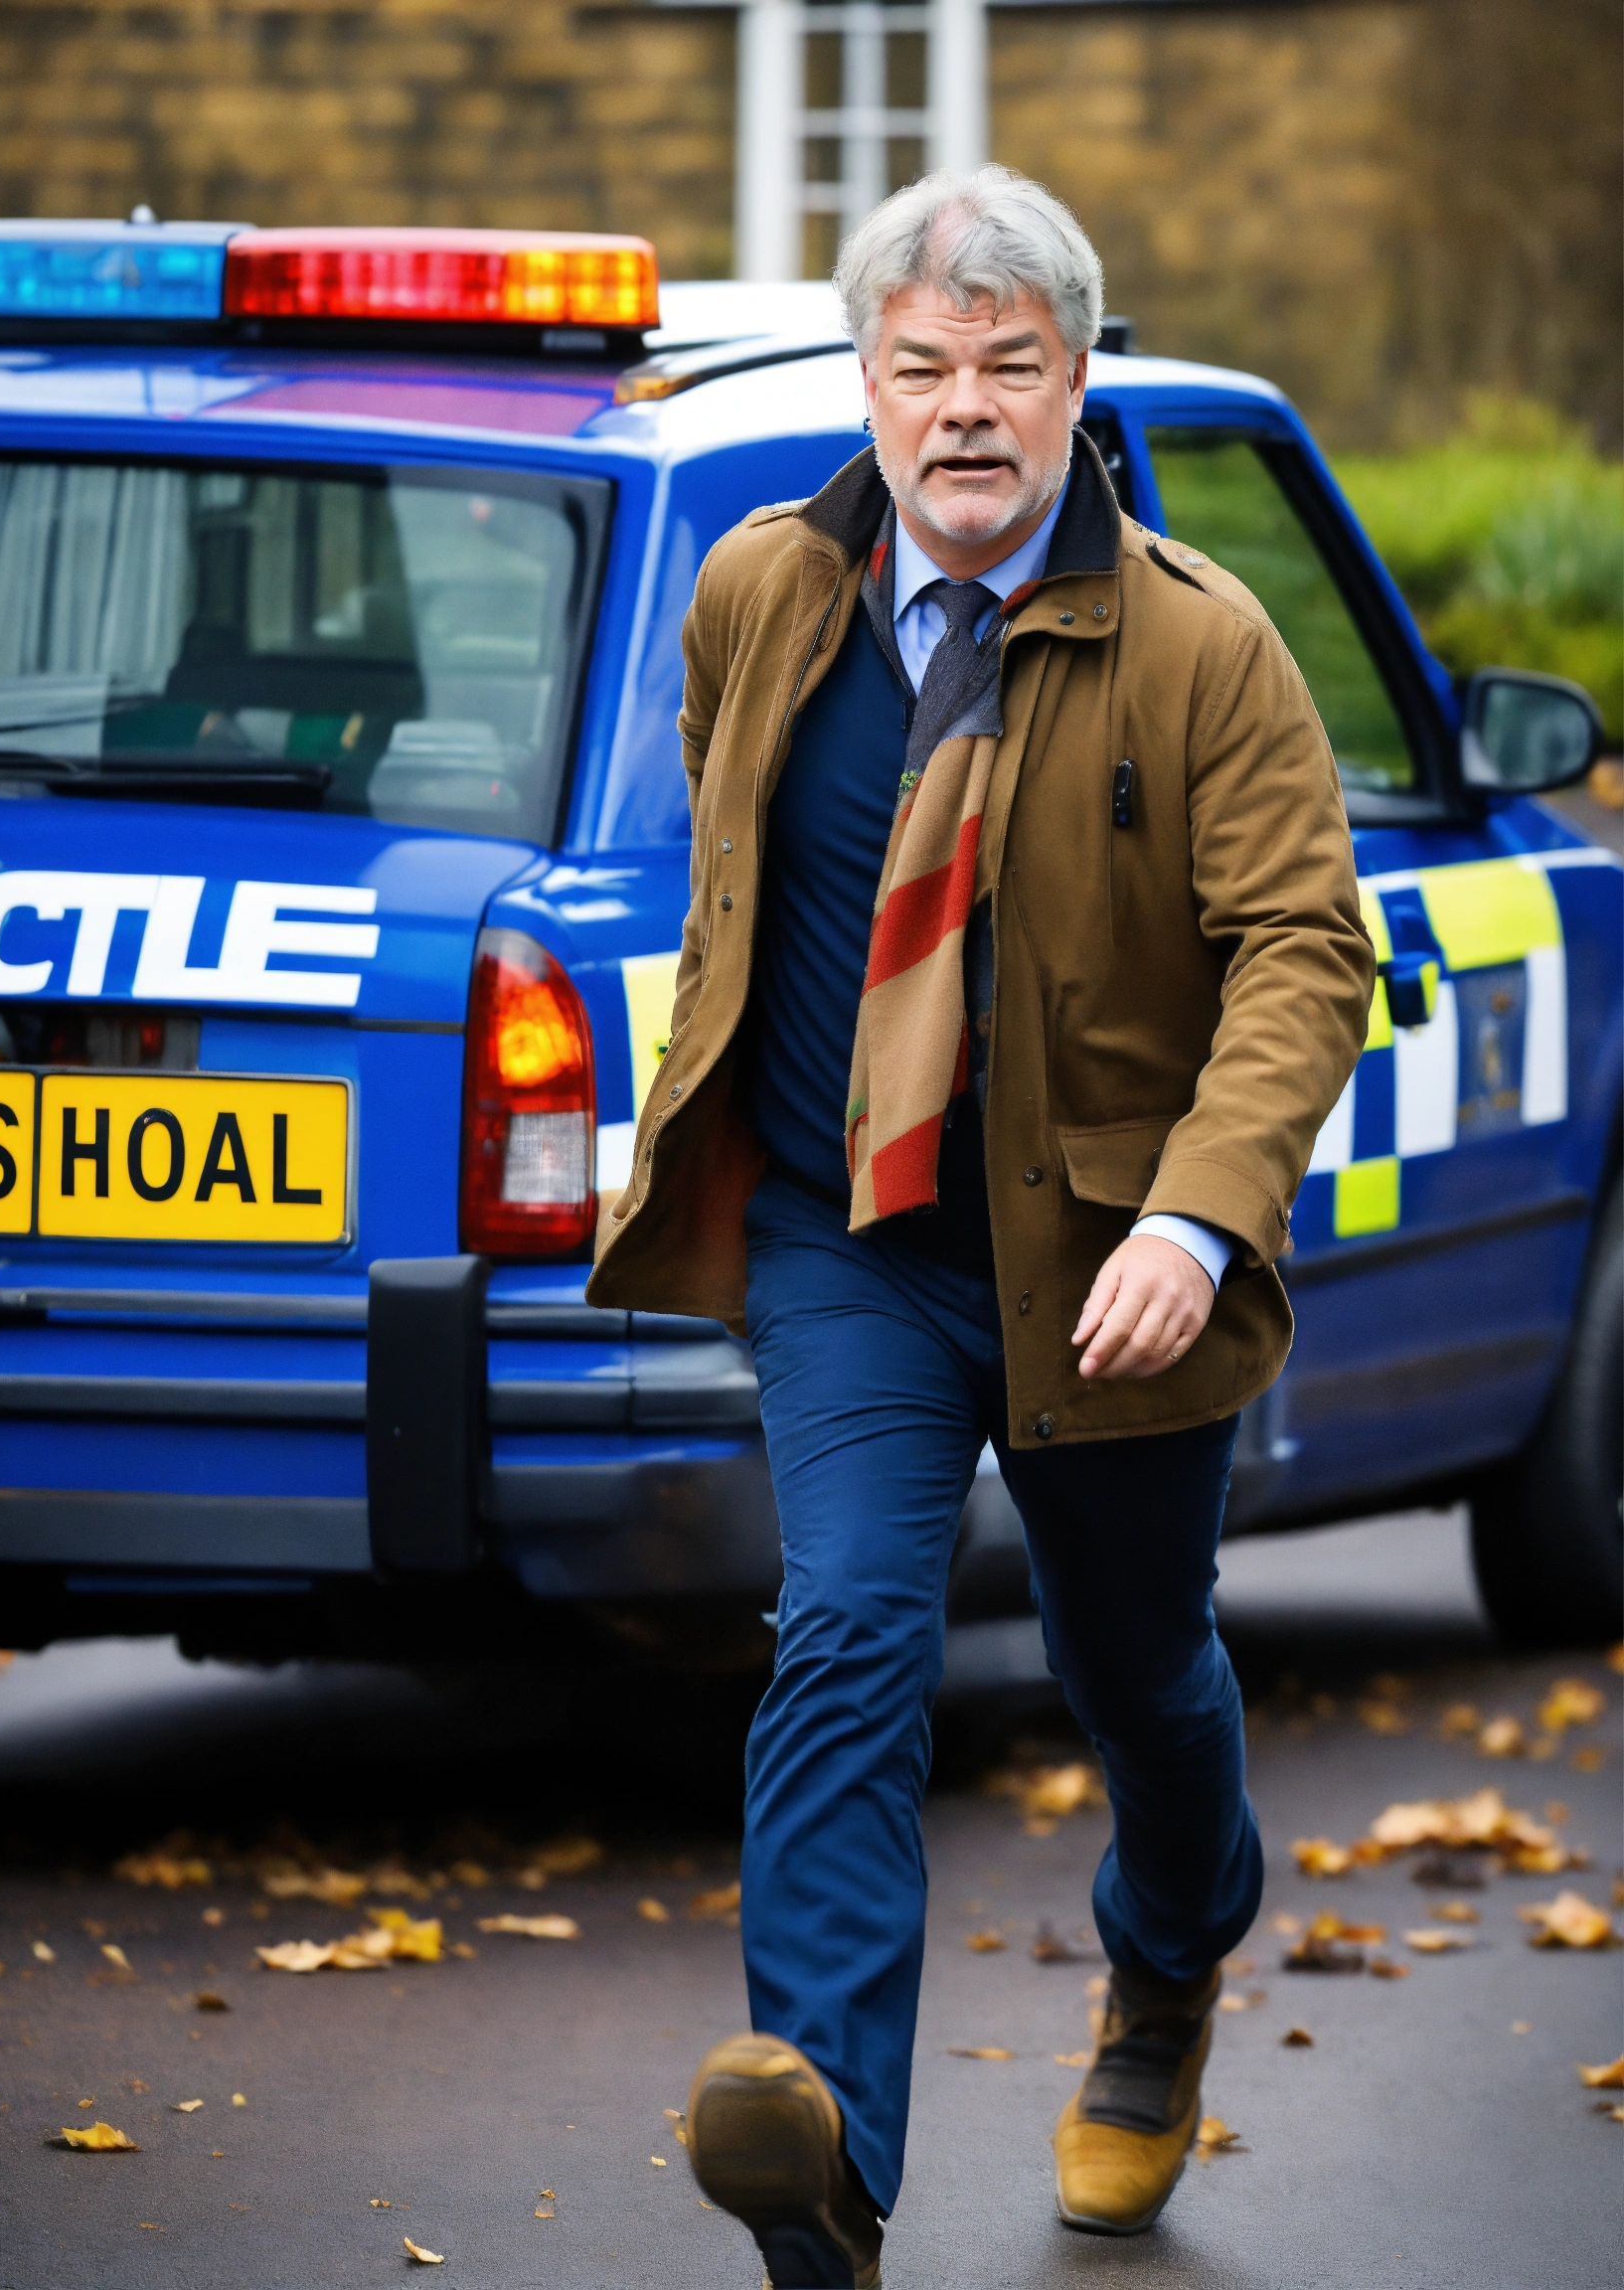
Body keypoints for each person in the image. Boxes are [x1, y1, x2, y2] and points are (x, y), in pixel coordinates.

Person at [586, 165, 1375, 2285]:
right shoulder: (761, 592)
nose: (963, 408)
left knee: (1142, 1676)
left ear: (1074, 382)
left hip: (1112, 1267)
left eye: (1008, 367)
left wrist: (1196, 1225)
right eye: (923, 364)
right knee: (848, 1626)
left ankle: (1168, 1969)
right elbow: (734, 855)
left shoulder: (1203, 646)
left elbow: (1307, 949)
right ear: (865, 382)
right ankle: (824, 2158)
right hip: (851, 1243)